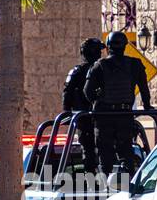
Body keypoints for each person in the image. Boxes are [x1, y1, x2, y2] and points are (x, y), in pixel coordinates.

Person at [83, 30, 151, 176]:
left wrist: (98, 98)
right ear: (125, 46)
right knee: (126, 152)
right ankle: (128, 184)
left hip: (104, 116)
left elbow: (88, 92)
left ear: (108, 46)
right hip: (125, 115)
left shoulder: (99, 66)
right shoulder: (135, 64)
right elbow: (144, 89)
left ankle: (107, 186)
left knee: (105, 153)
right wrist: (147, 106)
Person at [62, 38, 103, 171]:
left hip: (90, 117)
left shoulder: (81, 71)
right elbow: (67, 92)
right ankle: (95, 180)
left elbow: (66, 93)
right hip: (91, 117)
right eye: (99, 51)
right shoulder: (102, 70)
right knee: (96, 149)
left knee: (90, 149)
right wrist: (67, 114)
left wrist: (67, 112)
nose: (101, 54)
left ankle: (94, 179)